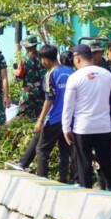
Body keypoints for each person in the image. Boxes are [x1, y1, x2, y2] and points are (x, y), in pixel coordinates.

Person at [62, 44, 111, 194]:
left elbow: (68, 106)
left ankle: (86, 193)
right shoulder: (107, 75)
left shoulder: (74, 77)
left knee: (84, 163)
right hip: (103, 126)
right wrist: (109, 121)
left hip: (82, 127)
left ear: (77, 58)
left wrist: (66, 128)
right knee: (107, 161)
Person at [32, 45, 73, 182]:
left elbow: (49, 99)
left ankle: (42, 179)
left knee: (41, 149)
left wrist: (40, 121)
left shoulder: (50, 75)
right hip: (70, 118)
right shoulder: (71, 71)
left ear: (45, 59)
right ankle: (63, 179)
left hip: (55, 118)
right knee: (64, 151)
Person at [16, 35, 45, 120]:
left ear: (26, 47)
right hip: (41, 91)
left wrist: (15, 72)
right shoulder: (43, 58)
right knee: (39, 115)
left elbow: (18, 77)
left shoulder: (24, 60)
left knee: (22, 116)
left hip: (28, 92)